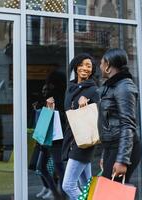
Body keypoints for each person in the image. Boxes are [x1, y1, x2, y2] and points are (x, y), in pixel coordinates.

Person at [98, 48, 142, 183]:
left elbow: (128, 125)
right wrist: (104, 155)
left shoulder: (124, 87)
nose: (99, 67)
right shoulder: (110, 87)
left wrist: (122, 160)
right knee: (109, 192)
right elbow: (107, 123)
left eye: (101, 63)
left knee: (109, 193)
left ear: (108, 66)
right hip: (112, 148)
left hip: (122, 149)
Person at [62, 53, 99, 200]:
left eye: (89, 66)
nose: (85, 68)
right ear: (76, 67)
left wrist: (88, 104)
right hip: (71, 139)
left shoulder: (93, 90)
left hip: (84, 142)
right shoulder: (70, 89)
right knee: (86, 185)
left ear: (92, 70)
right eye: (82, 64)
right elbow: (68, 113)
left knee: (68, 185)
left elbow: (100, 114)